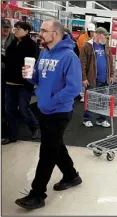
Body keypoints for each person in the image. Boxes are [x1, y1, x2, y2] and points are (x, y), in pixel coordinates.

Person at [15, 19, 82, 210]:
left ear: (56, 34)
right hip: (44, 110)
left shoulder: (69, 56)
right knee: (56, 146)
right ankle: (71, 175)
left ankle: (37, 194)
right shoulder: (44, 53)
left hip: (59, 112)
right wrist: (29, 75)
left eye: (44, 30)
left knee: (47, 152)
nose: (40, 33)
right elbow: (38, 78)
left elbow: (74, 88)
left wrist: (52, 101)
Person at [2, 21, 40, 145]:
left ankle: (34, 127)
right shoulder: (12, 44)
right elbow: (8, 61)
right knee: (10, 109)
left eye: (19, 28)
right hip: (9, 82)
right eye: (16, 28)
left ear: (26, 31)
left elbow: (32, 63)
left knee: (24, 109)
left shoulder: (32, 45)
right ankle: (12, 135)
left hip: (24, 83)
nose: (16, 30)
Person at [80, 27, 114, 128]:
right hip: (92, 79)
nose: (107, 39)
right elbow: (82, 63)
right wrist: (83, 78)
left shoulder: (106, 46)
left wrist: (111, 75)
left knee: (104, 101)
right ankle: (87, 119)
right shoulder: (87, 45)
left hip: (105, 79)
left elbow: (110, 62)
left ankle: (102, 119)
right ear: (98, 35)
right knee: (90, 99)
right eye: (105, 36)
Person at [1, 18, 14, 142]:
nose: (5, 29)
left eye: (7, 27)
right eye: (3, 27)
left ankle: (6, 131)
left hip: (8, 75)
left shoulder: (14, 40)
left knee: (6, 104)